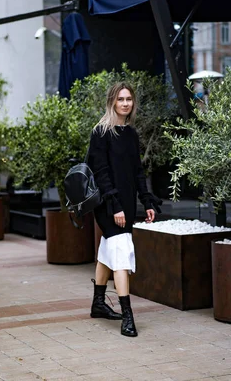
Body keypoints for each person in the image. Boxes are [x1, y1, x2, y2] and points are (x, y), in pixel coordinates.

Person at [87, 82, 162, 337]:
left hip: (127, 204)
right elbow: (101, 173)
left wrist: (147, 201)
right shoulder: (101, 132)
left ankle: (98, 303)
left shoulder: (130, 134)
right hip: (109, 205)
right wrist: (114, 206)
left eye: (129, 99)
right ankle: (127, 317)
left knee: (108, 250)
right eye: (121, 99)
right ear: (112, 101)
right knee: (120, 254)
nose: (126, 103)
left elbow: (137, 172)